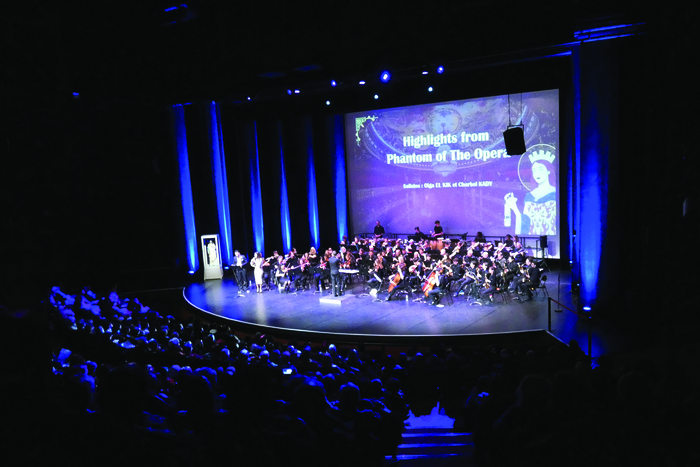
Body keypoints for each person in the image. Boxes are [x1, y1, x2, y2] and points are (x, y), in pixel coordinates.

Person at [504, 147, 557, 236]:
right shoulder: (530, 195)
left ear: (548, 171)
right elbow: (526, 221)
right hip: (532, 237)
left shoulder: (555, 193)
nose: (537, 174)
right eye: (534, 170)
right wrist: (513, 208)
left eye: (540, 169)